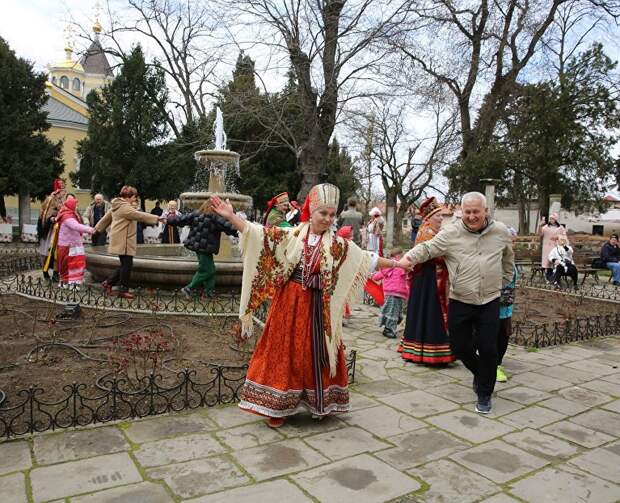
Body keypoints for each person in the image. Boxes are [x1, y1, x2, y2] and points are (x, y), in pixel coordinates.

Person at [210, 183, 409, 428]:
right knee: (283, 351)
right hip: (288, 304)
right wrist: (231, 216)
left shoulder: (337, 245)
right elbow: (259, 234)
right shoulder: (291, 235)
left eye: (331, 214)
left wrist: (397, 265)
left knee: (318, 352)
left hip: (318, 306)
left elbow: (366, 259)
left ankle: (320, 402)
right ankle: (276, 406)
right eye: (322, 213)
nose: (327, 219)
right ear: (311, 212)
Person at [398, 192, 514, 414]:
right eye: (467, 212)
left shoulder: (500, 232)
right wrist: (409, 258)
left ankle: (484, 393)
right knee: (459, 346)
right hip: (461, 299)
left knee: (489, 347)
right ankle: (482, 373)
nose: (471, 217)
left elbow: (508, 259)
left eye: (476, 212)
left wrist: (502, 282)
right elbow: (428, 248)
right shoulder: (451, 232)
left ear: (485, 211)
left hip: (489, 299)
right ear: (462, 213)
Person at [399, 197, 455, 365]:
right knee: (431, 312)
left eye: (441, 216)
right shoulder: (427, 233)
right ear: (429, 217)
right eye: (438, 215)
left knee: (430, 312)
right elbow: (430, 256)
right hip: (429, 280)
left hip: (432, 278)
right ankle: (432, 351)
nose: (441, 218)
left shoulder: (433, 232)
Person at [94, 186, 163, 299]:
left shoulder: (117, 205)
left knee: (125, 264)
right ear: (129, 197)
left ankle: (108, 283)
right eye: (134, 197)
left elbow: (107, 218)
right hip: (124, 240)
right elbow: (139, 215)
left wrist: (97, 228)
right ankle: (123, 290)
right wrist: (157, 218)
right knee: (127, 265)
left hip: (120, 239)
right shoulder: (125, 207)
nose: (135, 200)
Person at [166, 199, 238, 297]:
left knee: (210, 268)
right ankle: (189, 288)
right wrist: (241, 230)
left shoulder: (196, 213)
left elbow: (182, 219)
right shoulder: (216, 217)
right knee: (206, 270)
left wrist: (169, 219)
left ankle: (209, 292)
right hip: (205, 248)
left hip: (198, 247)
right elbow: (228, 226)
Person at [56, 198, 95, 288]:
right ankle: (72, 284)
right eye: (75, 205)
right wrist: (91, 230)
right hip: (69, 246)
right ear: (71, 205)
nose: (76, 207)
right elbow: (75, 226)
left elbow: (74, 229)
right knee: (73, 265)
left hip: (71, 244)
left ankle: (67, 283)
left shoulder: (69, 214)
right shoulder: (67, 216)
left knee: (69, 265)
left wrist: (84, 234)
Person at [372, 247, 409, 339]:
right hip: (394, 292)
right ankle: (388, 329)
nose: (403, 257)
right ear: (397, 256)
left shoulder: (398, 266)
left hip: (398, 293)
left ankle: (390, 325)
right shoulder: (395, 266)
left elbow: (378, 276)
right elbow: (380, 275)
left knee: (395, 312)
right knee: (392, 311)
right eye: (401, 255)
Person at [497, 227, 519, 383]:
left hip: (505, 306)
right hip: (489, 304)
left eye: (511, 239)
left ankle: (496, 364)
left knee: (503, 336)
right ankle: (491, 365)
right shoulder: (493, 256)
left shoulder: (510, 258)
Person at [38, 179, 66, 282]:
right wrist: (53, 218)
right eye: (61, 186)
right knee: (47, 251)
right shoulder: (51, 199)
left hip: (62, 229)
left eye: (64, 186)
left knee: (58, 252)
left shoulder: (64, 199)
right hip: (51, 230)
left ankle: (55, 273)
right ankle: (45, 272)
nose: (63, 188)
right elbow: (46, 213)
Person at [538, 212, 567, 282]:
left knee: (556, 262)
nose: (551, 220)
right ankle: (549, 278)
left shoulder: (560, 228)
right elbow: (540, 234)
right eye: (550, 218)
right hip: (547, 247)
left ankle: (556, 278)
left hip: (556, 247)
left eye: (552, 218)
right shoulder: (545, 227)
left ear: (556, 219)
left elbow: (564, 236)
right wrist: (540, 226)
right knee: (548, 263)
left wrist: (557, 237)